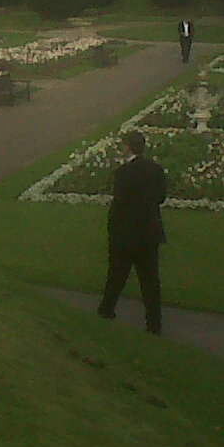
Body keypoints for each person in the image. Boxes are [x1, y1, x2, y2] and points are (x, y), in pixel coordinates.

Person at [98, 130, 167, 334]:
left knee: (117, 275)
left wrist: (112, 229)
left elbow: (119, 204)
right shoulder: (156, 169)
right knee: (150, 280)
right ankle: (154, 322)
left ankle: (106, 309)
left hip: (126, 233)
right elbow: (161, 197)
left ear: (128, 147)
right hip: (149, 232)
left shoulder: (123, 173)